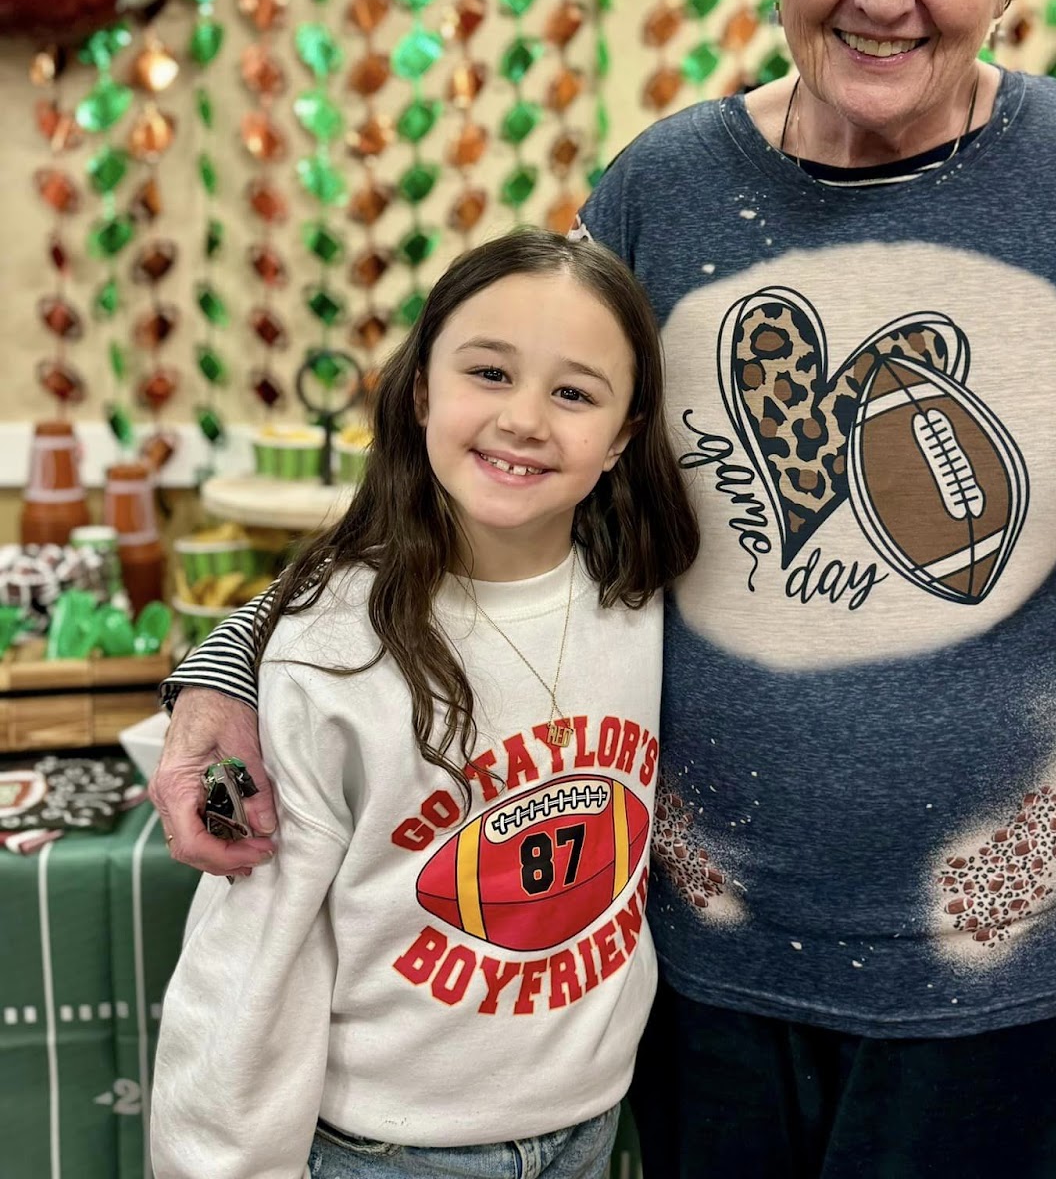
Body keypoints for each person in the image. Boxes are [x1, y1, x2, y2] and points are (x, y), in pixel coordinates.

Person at [153, 0, 1056, 1179]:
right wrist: (233, 653)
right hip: (682, 953)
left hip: (1011, 967)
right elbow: (487, 473)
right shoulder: (661, 192)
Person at [150, 231, 699, 1179]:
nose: (524, 418)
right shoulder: (331, 656)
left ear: (620, 437)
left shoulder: (647, 601)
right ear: (420, 391)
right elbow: (251, 966)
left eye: (573, 393)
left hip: (594, 1122)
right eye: (489, 372)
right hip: (390, 1152)